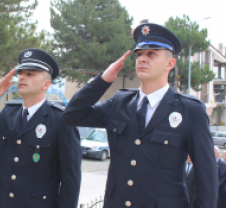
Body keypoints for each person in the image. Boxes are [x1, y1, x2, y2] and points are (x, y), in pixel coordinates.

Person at [61, 23, 218, 208]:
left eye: (151, 54)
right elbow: (71, 115)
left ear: (170, 63)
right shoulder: (119, 103)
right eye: (139, 54)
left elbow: (206, 178)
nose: (142, 59)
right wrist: (103, 80)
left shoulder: (190, 110)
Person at [0, 49, 82, 208]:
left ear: (46, 84)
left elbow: (70, 180)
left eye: (30, 74)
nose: (22, 77)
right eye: (21, 74)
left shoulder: (61, 121)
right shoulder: (8, 112)